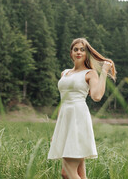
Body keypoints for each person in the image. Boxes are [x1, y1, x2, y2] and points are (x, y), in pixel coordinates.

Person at [48, 38, 116, 179]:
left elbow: (96, 96)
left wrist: (103, 71)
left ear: (86, 54)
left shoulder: (90, 73)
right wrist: (57, 130)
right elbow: (63, 102)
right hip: (65, 121)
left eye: (82, 49)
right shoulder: (64, 73)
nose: (79, 52)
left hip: (78, 119)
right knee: (80, 175)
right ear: (71, 53)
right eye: (76, 49)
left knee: (66, 173)